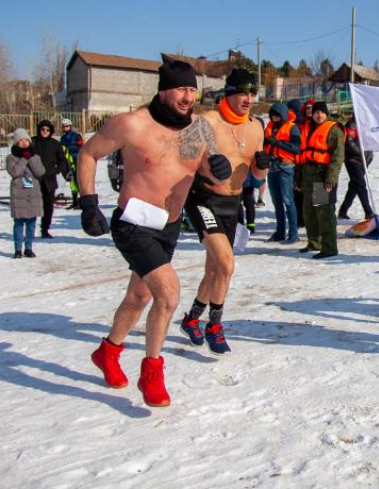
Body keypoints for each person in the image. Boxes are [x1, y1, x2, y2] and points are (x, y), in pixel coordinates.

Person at [80, 60, 232, 407]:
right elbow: (88, 153)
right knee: (168, 292)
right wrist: (89, 203)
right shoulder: (132, 124)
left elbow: (208, 169)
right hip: (133, 222)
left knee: (139, 297)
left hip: (169, 225)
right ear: (163, 89)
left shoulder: (198, 130)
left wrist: (217, 170)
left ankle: (108, 352)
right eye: (181, 88)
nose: (188, 96)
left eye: (193, 89)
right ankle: (152, 372)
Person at [181, 69, 269, 354]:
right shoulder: (206, 122)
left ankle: (192, 318)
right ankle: (214, 325)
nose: (249, 99)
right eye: (243, 92)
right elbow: (181, 161)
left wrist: (262, 165)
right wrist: (207, 167)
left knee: (216, 269)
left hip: (233, 203)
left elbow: (256, 174)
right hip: (204, 198)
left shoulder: (257, 127)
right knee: (226, 264)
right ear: (229, 93)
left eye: (252, 93)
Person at [297, 101, 345, 258]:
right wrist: (298, 178)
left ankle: (329, 248)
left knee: (324, 213)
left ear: (326, 114)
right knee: (309, 212)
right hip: (308, 175)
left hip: (323, 176)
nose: (319, 115)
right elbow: (301, 154)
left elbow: (337, 158)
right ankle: (314, 243)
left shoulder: (333, 130)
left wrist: (330, 179)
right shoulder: (307, 128)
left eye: (322, 112)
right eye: (316, 112)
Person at [264, 100, 301, 243]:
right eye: (273, 116)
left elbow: (296, 148)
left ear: (284, 115)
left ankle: (293, 234)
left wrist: (277, 143)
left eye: (278, 116)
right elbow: (263, 142)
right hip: (271, 167)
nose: (275, 119)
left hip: (285, 167)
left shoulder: (292, 128)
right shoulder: (270, 127)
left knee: (288, 200)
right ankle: (280, 232)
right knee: (276, 201)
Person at [6, 129, 45, 259]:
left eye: (26, 140)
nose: (24, 143)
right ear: (16, 142)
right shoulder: (11, 157)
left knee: (31, 224)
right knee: (18, 223)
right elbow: (15, 172)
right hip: (19, 194)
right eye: (21, 140)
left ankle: (29, 248)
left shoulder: (36, 156)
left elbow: (39, 172)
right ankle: (18, 249)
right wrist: (24, 159)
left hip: (32, 193)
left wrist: (31, 158)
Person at [31, 119, 69, 239]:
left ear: (51, 131)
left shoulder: (55, 144)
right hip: (32, 179)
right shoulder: (32, 142)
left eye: (47, 129)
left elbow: (62, 161)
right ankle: (29, 230)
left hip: (49, 179)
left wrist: (56, 170)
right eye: (42, 129)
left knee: (48, 206)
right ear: (39, 130)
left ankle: (45, 229)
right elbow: (21, 154)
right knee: (31, 206)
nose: (45, 131)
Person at [338, 114, 375, 221]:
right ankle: (368, 212)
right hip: (354, 159)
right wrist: (360, 154)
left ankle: (343, 211)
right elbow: (349, 142)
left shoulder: (367, 124)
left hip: (365, 160)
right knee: (360, 185)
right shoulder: (352, 124)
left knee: (354, 186)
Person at [294, 98, 316, 229]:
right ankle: (300, 219)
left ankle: (323, 219)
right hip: (301, 164)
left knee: (320, 195)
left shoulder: (323, 125)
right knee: (299, 193)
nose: (309, 110)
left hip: (318, 164)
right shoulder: (299, 126)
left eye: (312, 108)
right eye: (307, 108)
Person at [60, 118, 84, 209]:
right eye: (64, 127)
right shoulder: (62, 138)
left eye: (67, 126)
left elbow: (81, 147)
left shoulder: (76, 136)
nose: (65, 128)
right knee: (72, 181)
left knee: (78, 180)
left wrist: (70, 149)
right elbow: (61, 149)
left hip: (77, 160)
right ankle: (75, 201)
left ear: (70, 126)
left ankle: (82, 201)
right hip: (68, 161)